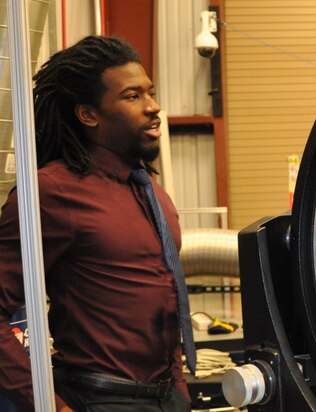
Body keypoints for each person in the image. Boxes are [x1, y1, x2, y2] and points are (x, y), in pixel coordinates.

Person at [0, 36, 192, 411]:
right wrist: (48, 405)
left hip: (167, 397)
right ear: (89, 114)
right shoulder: (52, 191)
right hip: (101, 399)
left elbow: (165, 296)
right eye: (132, 96)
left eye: (150, 93)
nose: (154, 108)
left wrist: (180, 389)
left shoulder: (150, 190)